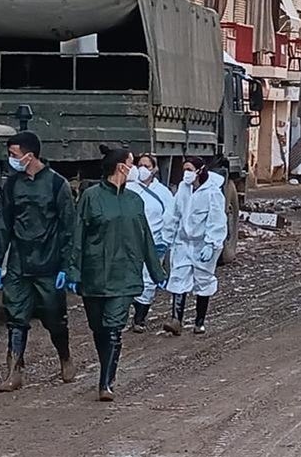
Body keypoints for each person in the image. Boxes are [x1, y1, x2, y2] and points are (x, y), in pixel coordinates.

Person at [68, 146, 166, 401]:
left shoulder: (135, 201)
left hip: (125, 275)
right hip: (96, 275)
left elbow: (145, 237)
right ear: (121, 167)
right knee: (99, 328)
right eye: (132, 163)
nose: (135, 168)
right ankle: (105, 368)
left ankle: (106, 381)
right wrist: (73, 271)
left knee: (113, 328)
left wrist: (157, 271)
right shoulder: (91, 197)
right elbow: (78, 235)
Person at [0, 132, 77, 393]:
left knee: (54, 318)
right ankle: (13, 371)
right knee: (15, 317)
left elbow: (69, 229)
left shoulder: (56, 185)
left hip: (49, 264)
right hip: (19, 263)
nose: (11, 160)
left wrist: (67, 266)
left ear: (30, 155)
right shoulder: (12, 185)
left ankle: (65, 357)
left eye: (14, 155)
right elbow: (2, 222)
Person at [162, 157, 229, 336]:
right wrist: (167, 238)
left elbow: (217, 220)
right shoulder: (184, 189)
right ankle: (176, 320)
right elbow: (174, 214)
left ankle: (199, 322)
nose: (186, 173)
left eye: (190, 169)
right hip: (183, 243)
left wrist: (211, 243)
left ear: (200, 170)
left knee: (203, 281)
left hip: (202, 244)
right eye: (185, 169)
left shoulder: (212, 193)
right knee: (178, 278)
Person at [125, 153, 174, 333]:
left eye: (147, 165)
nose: (143, 169)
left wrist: (166, 241)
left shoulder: (163, 193)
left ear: (155, 169)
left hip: (154, 242)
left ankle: (140, 318)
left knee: (148, 280)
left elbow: (170, 218)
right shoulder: (129, 188)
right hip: (130, 242)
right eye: (140, 165)